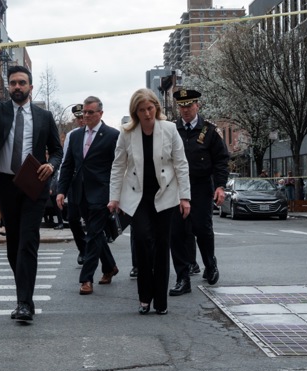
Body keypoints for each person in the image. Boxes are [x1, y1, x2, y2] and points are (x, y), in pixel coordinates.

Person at [0, 65, 62, 323]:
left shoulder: (44, 116)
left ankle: (24, 303)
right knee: (14, 244)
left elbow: (57, 150)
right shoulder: (0, 109)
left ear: (30, 87)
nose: (17, 86)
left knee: (28, 241)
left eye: (22, 82)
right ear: (9, 86)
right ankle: (25, 296)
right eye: (13, 83)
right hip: (6, 185)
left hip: (34, 184)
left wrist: (52, 165)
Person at [108, 88, 191, 315]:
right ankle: (145, 297)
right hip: (138, 196)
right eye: (142, 110)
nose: (147, 114)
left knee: (162, 246)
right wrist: (114, 198)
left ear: (156, 107)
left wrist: (185, 197)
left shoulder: (170, 129)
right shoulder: (126, 133)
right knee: (143, 241)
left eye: (150, 108)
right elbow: (118, 166)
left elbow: (181, 164)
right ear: (135, 112)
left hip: (165, 194)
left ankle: (161, 301)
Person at [168, 89, 229, 297]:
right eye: (181, 106)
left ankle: (210, 264)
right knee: (177, 233)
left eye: (189, 106)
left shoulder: (209, 130)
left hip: (201, 186)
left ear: (197, 106)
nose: (185, 110)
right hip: (176, 188)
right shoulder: (172, 129)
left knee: (202, 229)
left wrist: (220, 186)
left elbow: (221, 160)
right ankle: (182, 278)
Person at [57, 96, 120, 295]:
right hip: (80, 193)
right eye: (84, 112)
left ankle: (86, 279)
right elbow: (68, 165)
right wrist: (61, 190)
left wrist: (116, 195)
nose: (86, 116)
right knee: (96, 233)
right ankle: (109, 266)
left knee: (93, 233)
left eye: (90, 112)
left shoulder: (112, 135)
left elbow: (119, 167)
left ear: (100, 113)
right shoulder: (75, 136)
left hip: (102, 193)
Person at [62, 104, 88, 264]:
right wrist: (61, 188)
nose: (81, 120)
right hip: (75, 183)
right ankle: (82, 248)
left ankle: (95, 252)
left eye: (83, 117)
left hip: (91, 184)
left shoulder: (97, 134)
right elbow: (66, 162)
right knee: (72, 219)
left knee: (92, 221)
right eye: (78, 118)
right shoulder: (72, 136)